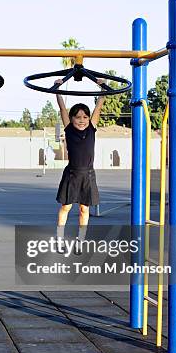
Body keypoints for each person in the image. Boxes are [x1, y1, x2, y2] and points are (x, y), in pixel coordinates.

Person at [55, 79, 106, 253]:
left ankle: (80, 241)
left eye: (85, 116)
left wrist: (102, 86)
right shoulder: (69, 129)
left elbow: (99, 106)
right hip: (72, 174)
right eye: (78, 117)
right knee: (66, 207)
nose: (82, 120)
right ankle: (60, 239)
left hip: (88, 175)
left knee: (84, 209)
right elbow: (62, 108)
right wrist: (58, 89)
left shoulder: (92, 128)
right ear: (71, 118)